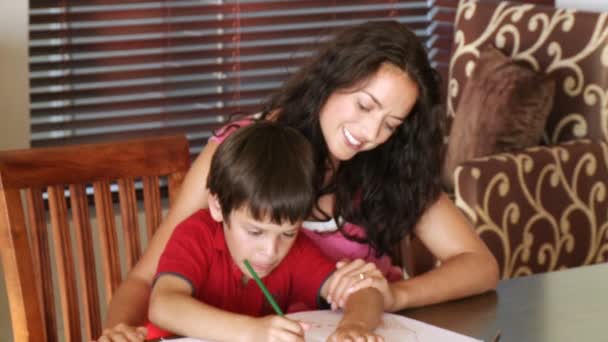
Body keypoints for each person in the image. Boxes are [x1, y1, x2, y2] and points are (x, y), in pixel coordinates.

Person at [98, 20, 499, 341]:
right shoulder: (249, 155)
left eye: (390, 124)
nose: (371, 133)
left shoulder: (389, 162)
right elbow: (149, 281)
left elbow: (480, 265)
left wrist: (396, 295)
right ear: (332, 81)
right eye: (364, 105)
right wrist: (118, 331)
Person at [144, 122, 384, 341]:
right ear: (218, 206)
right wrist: (251, 331)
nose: (271, 251)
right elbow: (163, 305)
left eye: (288, 233)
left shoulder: (297, 251)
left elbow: (366, 293)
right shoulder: (197, 235)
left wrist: (354, 326)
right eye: (255, 231)